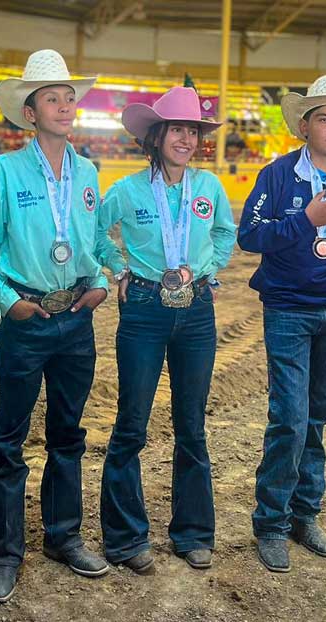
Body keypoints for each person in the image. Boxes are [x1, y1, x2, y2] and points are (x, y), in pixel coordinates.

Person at [0, 49, 111, 603]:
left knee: (68, 433)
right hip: (27, 318)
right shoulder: (4, 171)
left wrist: (104, 278)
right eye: (51, 99)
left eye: (69, 98)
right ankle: (7, 553)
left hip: (76, 318)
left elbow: (96, 242)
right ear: (29, 113)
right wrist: (8, 302)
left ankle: (63, 536)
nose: (65, 106)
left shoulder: (87, 172)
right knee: (8, 437)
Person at [237, 74, 326, 573]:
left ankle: (305, 514)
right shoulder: (277, 176)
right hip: (289, 310)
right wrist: (308, 220)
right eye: (325, 118)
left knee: (317, 417)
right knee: (290, 419)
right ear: (304, 125)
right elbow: (249, 237)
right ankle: (271, 524)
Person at [96, 87, 236, 574]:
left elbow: (225, 232)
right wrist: (118, 268)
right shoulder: (128, 190)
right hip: (145, 308)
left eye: (192, 130)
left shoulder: (209, 187)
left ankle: (193, 533)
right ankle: (125, 538)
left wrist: (210, 271)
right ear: (154, 137)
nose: (186, 138)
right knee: (132, 422)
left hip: (196, 309)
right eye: (176, 129)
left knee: (192, 426)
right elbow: (96, 232)